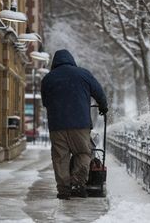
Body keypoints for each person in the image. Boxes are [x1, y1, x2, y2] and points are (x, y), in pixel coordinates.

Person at [41, 49, 108, 200]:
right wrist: (103, 106)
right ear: (71, 60)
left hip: (57, 125)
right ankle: (78, 184)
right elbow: (98, 92)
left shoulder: (48, 79)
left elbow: (45, 102)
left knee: (60, 157)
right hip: (80, 124)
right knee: (83, 153)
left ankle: (63, 189)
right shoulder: (83, 74)